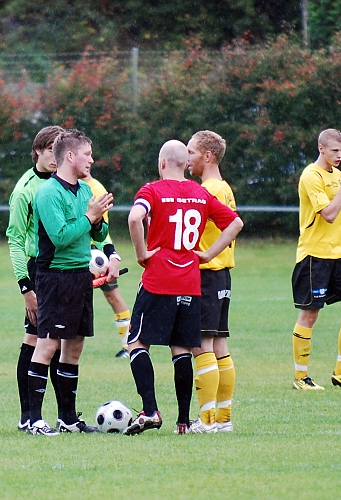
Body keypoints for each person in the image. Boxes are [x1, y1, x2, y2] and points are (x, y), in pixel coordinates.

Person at [124, 140, 243, 436]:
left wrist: (141, 253)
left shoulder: (152, 190)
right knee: (181, 349)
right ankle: (182, 422)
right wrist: (209, 253)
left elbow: (134, 217)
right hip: (190, 281)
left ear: (162, 163)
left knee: (137, 343)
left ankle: (150, 410)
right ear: (184, 165)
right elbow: (236, 223)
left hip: (158, 278)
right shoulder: (200, 193)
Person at [27, 129, 114, 435]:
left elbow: (97, 235)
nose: (92, 159)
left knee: (74, 348)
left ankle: (67, 418)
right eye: (88, 154)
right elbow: (60, 237)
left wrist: (99, 217)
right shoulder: (48, 193)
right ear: (70, 156)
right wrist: (90, 217)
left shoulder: (85, 191)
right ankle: (35, 419)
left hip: (80, 278)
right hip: (55, 278)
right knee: (47, 345)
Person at [291, 128, 341, 390]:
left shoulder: (338, 174)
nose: (339, 156)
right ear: (321, 148)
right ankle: (301, 378)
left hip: (339, 254)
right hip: (315, 255)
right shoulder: (311, 176)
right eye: (334, 150)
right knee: (310, 315)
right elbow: (329, 214)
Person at [6, 125, 65, 432]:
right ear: (39, 151)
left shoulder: (67, 183)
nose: (56, 157)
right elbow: (15, 240)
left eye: (60, 150)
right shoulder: (25, 190)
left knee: (59, 341)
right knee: (36, 340)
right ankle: (28, 416)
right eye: (50, 150)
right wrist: (25, 286)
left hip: (65, 268)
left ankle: (65, 416)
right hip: (37, 269)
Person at [186, 130, 238, 433]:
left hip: (207, 275)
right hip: (223, 275)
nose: (188, 157)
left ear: (207, 156)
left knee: (202, 346)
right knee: (220, 346)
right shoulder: (224, 187)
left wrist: (206, 254)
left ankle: (206, 421)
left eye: (192, 152)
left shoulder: (210, 190)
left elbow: (232, 225)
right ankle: (223, 419)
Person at [80, 171, 131, 358]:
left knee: (113, 296)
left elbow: (100, 228)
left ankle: (129, 346)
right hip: (77, 253)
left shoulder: (96, 188)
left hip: (96, 255)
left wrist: (110, 255)